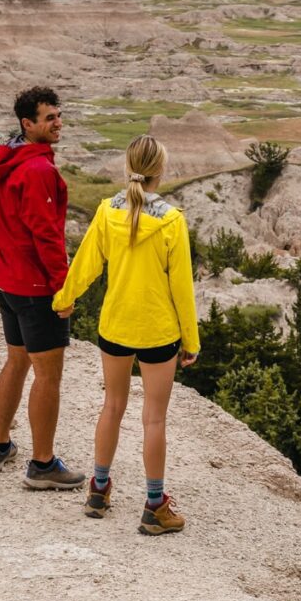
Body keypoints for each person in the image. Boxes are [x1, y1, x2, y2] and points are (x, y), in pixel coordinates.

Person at [53, 134, 199, 535]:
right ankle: (155, 506)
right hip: (157, 330)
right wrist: (191, 341)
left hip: (115, 325)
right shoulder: (171, 220)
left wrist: (65, 300)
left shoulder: (106, 211)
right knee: (153, 419)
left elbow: (85, 264)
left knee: (112, 406)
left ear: (127, 167)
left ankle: (98, 490)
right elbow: (181, 288)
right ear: (160, 171)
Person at [0, 86, 85, 491]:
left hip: (7, 280)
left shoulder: (0, 161)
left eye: (59, 116)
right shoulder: (38, 170)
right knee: (49, 376)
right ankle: (42, 465)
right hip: (35, 287)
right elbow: (48, 237)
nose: (58, 124)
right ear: (28, 124)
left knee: (17, 361)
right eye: (49, 119)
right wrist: (64, 290)